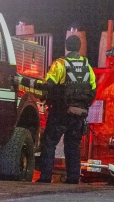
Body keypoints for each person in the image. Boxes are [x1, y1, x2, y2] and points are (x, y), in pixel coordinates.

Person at [35, 34, 97, 184]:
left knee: (50, 143)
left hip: (60, 112)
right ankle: (73, 178)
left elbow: (48, 84)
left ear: (67, 46)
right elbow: (93, 89)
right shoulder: (87, 66)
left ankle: (45, 178)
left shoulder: (60, 64)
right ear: (80, 47)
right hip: (79, 114)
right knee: (73, 145)